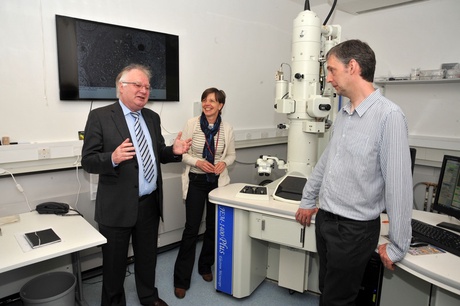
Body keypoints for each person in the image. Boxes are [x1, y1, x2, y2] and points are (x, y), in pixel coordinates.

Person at [295, 40, 413, 306]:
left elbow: (399, 187)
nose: (329, 78)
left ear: (353, 67)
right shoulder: (345, 113)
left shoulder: (389, 116)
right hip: (326, 220)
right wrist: (307, 199)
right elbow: (327, 161)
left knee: (338, 300)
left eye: (332, 70)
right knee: (327, 290)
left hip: (354, 230)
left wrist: (397, 245)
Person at [81, 63, 191, 306]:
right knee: (113, 265)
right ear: (122, 87)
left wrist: (173, 151)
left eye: (148, 87)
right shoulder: (99, 116)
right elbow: (88, 160)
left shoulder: (152, 117)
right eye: (138, 85)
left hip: (149, 203)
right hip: (116, 206)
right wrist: (112, 158)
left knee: (147, 258)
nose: (144, 91)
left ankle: (148, 296)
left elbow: (157, 153)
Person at [173, 87, 236, 299]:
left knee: (212, 227)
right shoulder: (192, 124)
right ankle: (181, 279)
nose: (207, 104)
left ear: (220, 105)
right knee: (191, 229)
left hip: (217, 183)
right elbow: (183, 153)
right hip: (196, 181)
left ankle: (205, 266)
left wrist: (222, 164)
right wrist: (198, 161)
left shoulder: (227, 128)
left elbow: (232, 155)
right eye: (204, 100)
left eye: (212, 101)